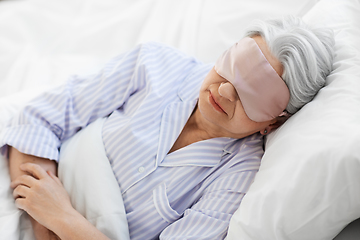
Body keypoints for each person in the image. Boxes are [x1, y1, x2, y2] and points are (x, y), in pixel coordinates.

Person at [1, 15, 334, 240]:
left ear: (275, 121)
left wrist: (64, 220)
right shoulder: (153, 65)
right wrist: (44, 224)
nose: (224, 91)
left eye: (253, 93)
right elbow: (38, 120)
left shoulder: (239, 181)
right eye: (232, 66)